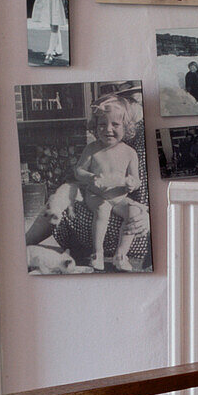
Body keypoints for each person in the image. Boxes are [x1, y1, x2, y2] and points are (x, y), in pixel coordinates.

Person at [73, 91, 144, 271]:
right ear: (95, 127)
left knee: (134, 211)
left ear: (127, 127)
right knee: (103, 210)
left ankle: (121, 255)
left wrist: (131, 183)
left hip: (119, 198)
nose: (108, 129)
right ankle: (97, 253)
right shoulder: (92, 149)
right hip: (96, 195)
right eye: (102, 125)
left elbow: (137, 180)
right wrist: (91, 177)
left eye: (115, 124)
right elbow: (78, 171)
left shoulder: (129, 153)